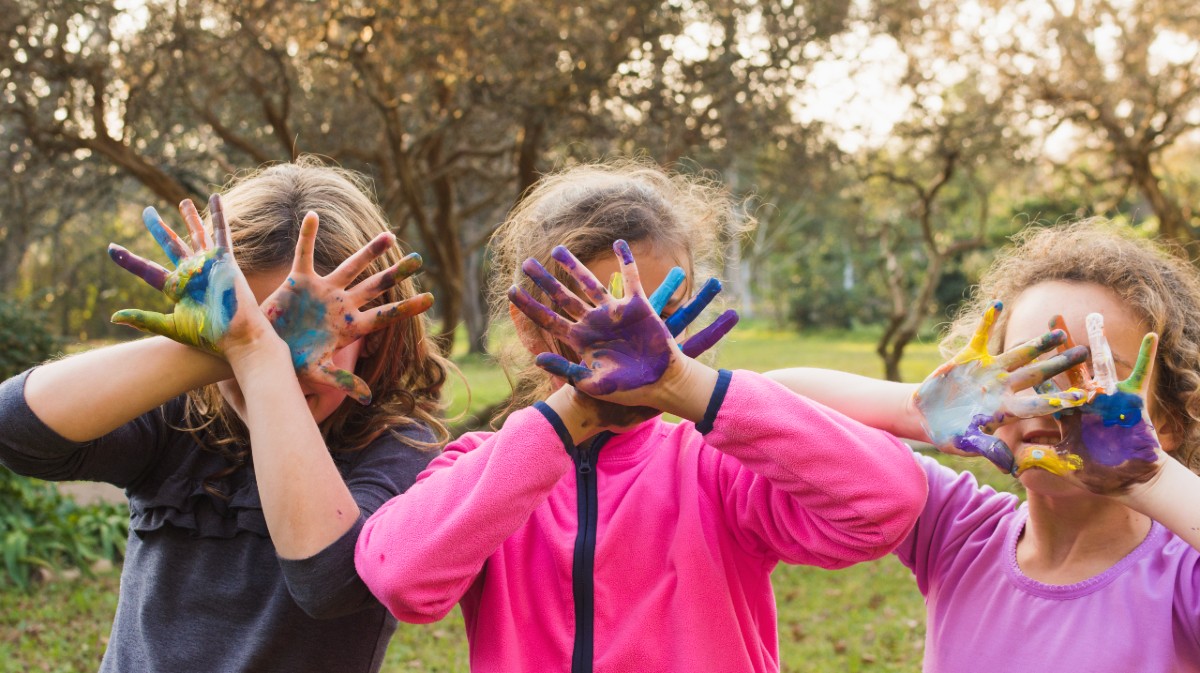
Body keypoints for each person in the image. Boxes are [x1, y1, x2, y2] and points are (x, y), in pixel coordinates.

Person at [353, 160, 928, 673]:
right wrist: (570, 414)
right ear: (530, 326)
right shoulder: (484, 472)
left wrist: (690, 386)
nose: (641, 342)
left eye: (663, 313)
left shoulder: (716, 468)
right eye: (599, 311)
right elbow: (401, 580)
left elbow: (888, 501)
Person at [0, 158, 449, 673]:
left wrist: (256, 352)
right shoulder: (181, 422)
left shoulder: (399, 450)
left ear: (371, 334)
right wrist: (232, 343)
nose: (279, 364)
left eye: (312, 336)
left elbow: (328, 583)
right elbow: (17, 432)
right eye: (252, 325)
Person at [768, 219, 1200, 671]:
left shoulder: (1180, 581)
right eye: (1026, 369)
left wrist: (1153, 478)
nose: (1049, 401)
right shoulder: (956, 527)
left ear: (1167, 421)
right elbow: (769, 402)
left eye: (1092, 374)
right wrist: (910, 410)